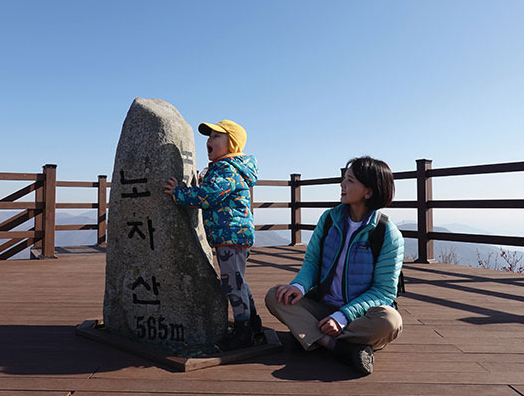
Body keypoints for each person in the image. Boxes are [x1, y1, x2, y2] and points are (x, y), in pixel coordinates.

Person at [264, 156, 404, 374]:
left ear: (368, 191)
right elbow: (312, 262)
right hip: (322, 306)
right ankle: (339, 346)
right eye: (343, 179)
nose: (342, 185)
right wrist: (299, 287)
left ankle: (310, 334)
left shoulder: (387, 234)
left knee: (390, 321)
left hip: (360, 315)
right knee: (275, 296)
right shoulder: (329, 219)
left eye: (350, 180)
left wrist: (342, 317)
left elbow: (384, 291)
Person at [163, 119, 260, 350]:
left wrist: (179, 193)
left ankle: (243, 330)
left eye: (217, 136)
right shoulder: (225, 168)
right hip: (233, 235)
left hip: (231, 235)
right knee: (237, 280)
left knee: (231, 283)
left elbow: (207, 196)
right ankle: (252, 323)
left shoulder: (227, 169)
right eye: (210, 137)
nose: (209, 140)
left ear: (232, 143)